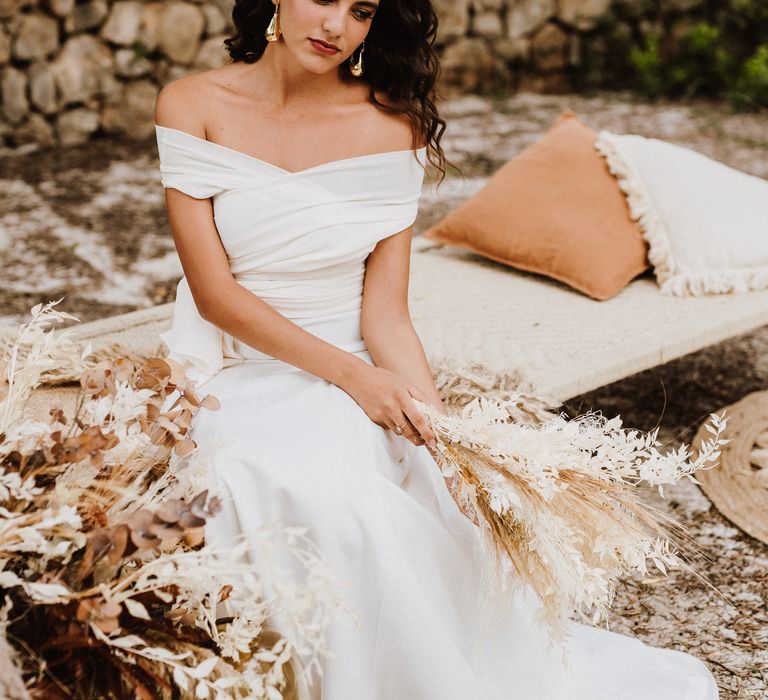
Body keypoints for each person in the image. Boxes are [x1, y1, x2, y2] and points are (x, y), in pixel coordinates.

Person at [153, 1, 720, 698]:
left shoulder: (396, 124)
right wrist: (358, 379)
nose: (336, 24)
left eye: (361, 10)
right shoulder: (191, 104)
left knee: (391, 494)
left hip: (352, 359)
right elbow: (215, 295)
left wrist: (445, 439)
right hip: (240, 359)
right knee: (261, 478)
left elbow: (386, 314)